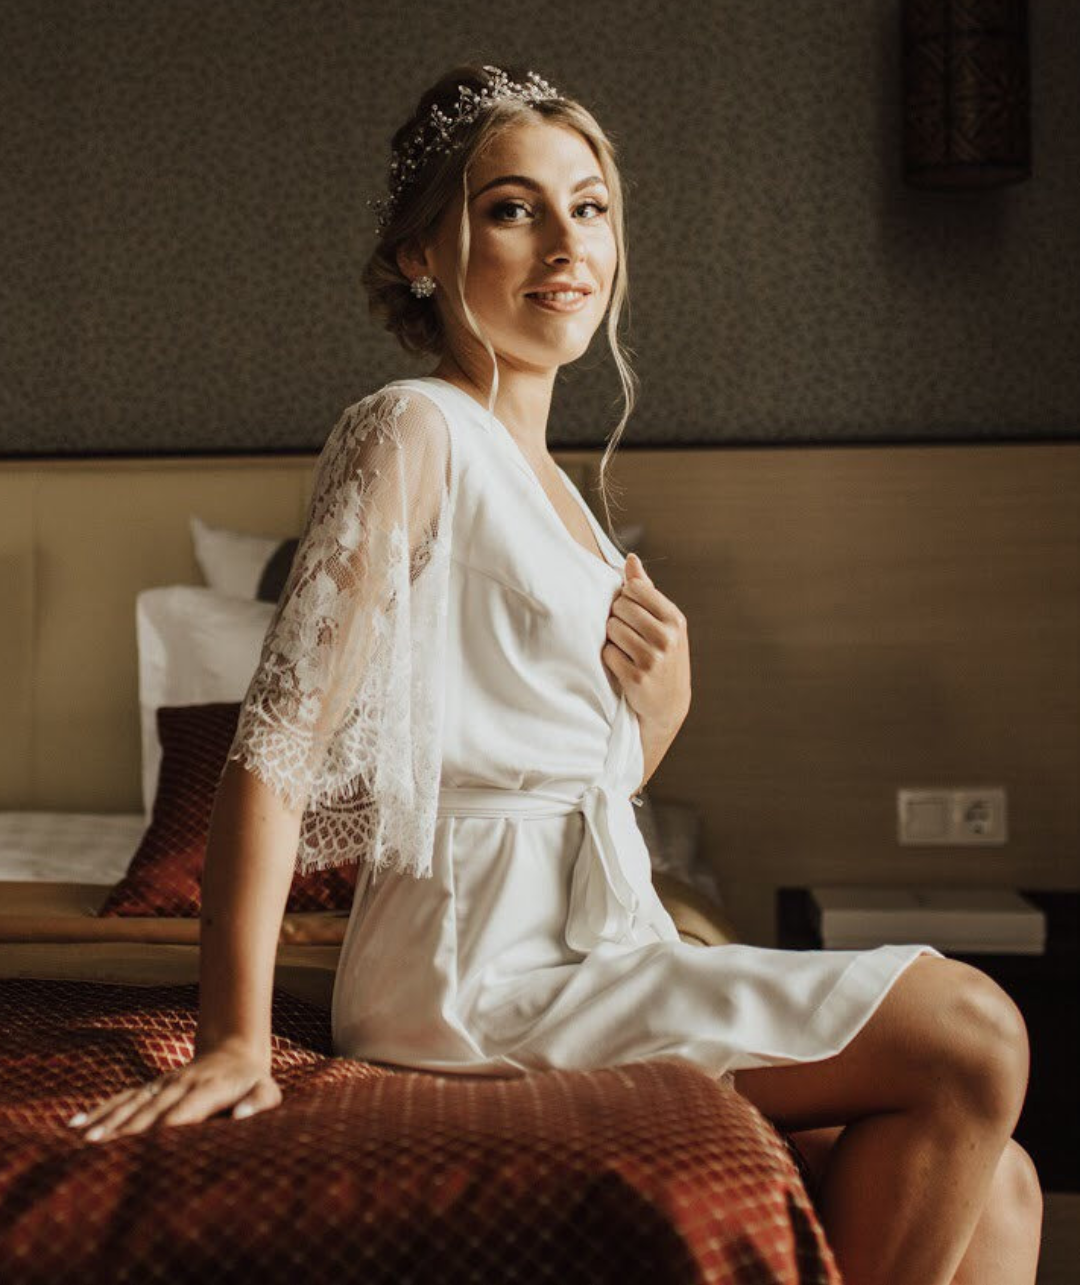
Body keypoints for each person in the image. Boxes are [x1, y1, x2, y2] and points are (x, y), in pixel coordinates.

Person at [70, 62, 1041, 1284]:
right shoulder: (412, 427)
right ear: (426, 252)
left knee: (998, 1182)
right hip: (475, 967)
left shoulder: (563, 497)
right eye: (511, 208)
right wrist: (234, 1042)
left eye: (588, 207)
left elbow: (547, 780)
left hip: (598, 941)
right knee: (974, 1032)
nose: (565, 242)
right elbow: (277, 747)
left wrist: (659, 720)